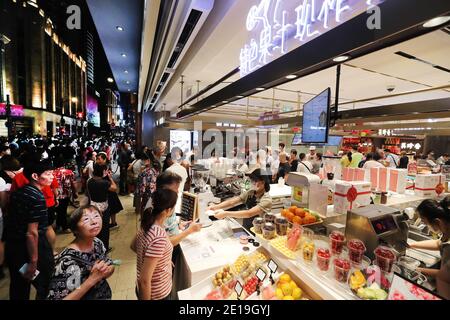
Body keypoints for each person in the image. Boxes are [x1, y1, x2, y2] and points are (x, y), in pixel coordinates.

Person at [5, 160, 55, 300]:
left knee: (19, 286)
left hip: (14, 247)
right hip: (32, 248)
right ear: (35, 176)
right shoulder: (38, 197)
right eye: (48, 174)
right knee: (45, 284)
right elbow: (31, 232)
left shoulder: (18, 193)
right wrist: (34, 262)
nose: (52, 177)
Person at [47, 205, 114, 300]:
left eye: (96, 216)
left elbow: (109, 264)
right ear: (75, 229)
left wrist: (107, 270)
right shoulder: (68, 262)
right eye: (86, 219)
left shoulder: (97, 242)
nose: (94, 222)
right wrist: (92, 279)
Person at [134, 189, 177, 300]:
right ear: (168, 210)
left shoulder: (147, 223)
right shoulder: (158, 237)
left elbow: (134, 246)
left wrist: (163, 260)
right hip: (156, 293)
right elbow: (144, 280)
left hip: (147, 289)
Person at [411, 198, 450, 299]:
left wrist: (416, 269)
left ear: (438, 222)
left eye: (425, 223)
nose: (427, 226)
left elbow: (445, 276)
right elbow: (439, 243)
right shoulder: (447, 230)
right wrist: (412, 245)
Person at [87, 164, 117, 252]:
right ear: (102, 172)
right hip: (103, 207)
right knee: (104, 228)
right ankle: (105, 248)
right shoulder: (104, 183)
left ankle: (95, 247)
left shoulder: (89, 181)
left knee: (95, 228)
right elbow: (114, 188)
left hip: (93, 206)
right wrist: (110, 178)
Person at [53, 159, 78, 234]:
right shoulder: (69, 172)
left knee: (59, 211)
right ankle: (65, 227)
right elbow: (73, 183)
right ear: (63, 164)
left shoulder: (52, 173)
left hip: (55, 195)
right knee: (63, 211)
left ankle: (58, 225)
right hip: (66, 194)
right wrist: (75, 192)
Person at [165, 147, 188, 214]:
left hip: (170, 199)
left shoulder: (168, 170)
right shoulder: (183, 169)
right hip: (181, 198)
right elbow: (186, 184)